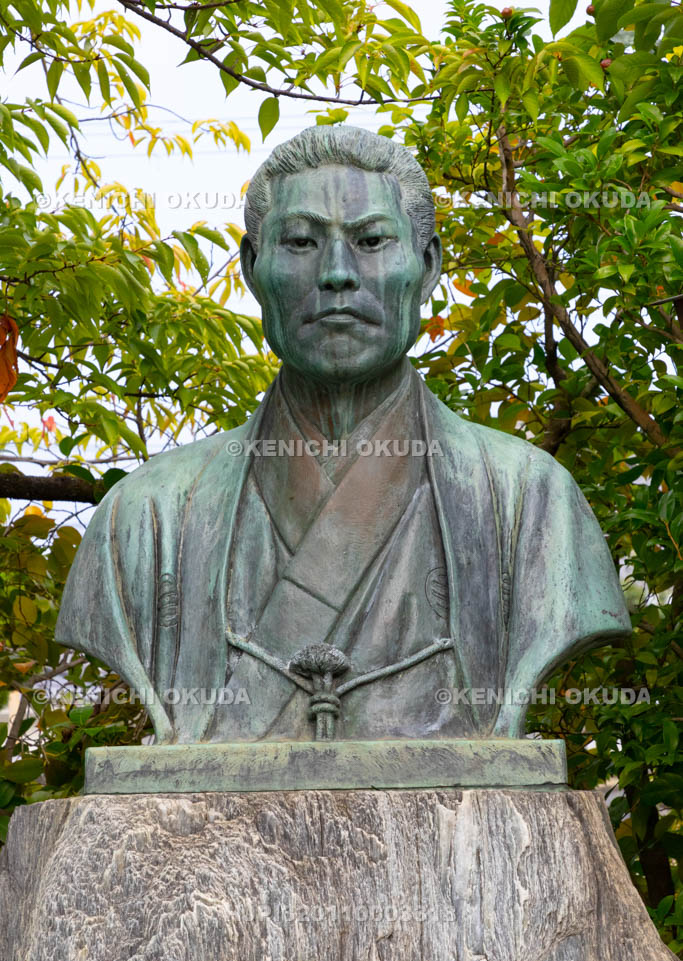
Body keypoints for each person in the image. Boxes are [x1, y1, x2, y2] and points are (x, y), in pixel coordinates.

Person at [56, 125, 631, 745]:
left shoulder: (533, 503)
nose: (336, 274)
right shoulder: (143, 519)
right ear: (253, 267)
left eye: (372, 240)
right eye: (301, 242)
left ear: (428, 264)